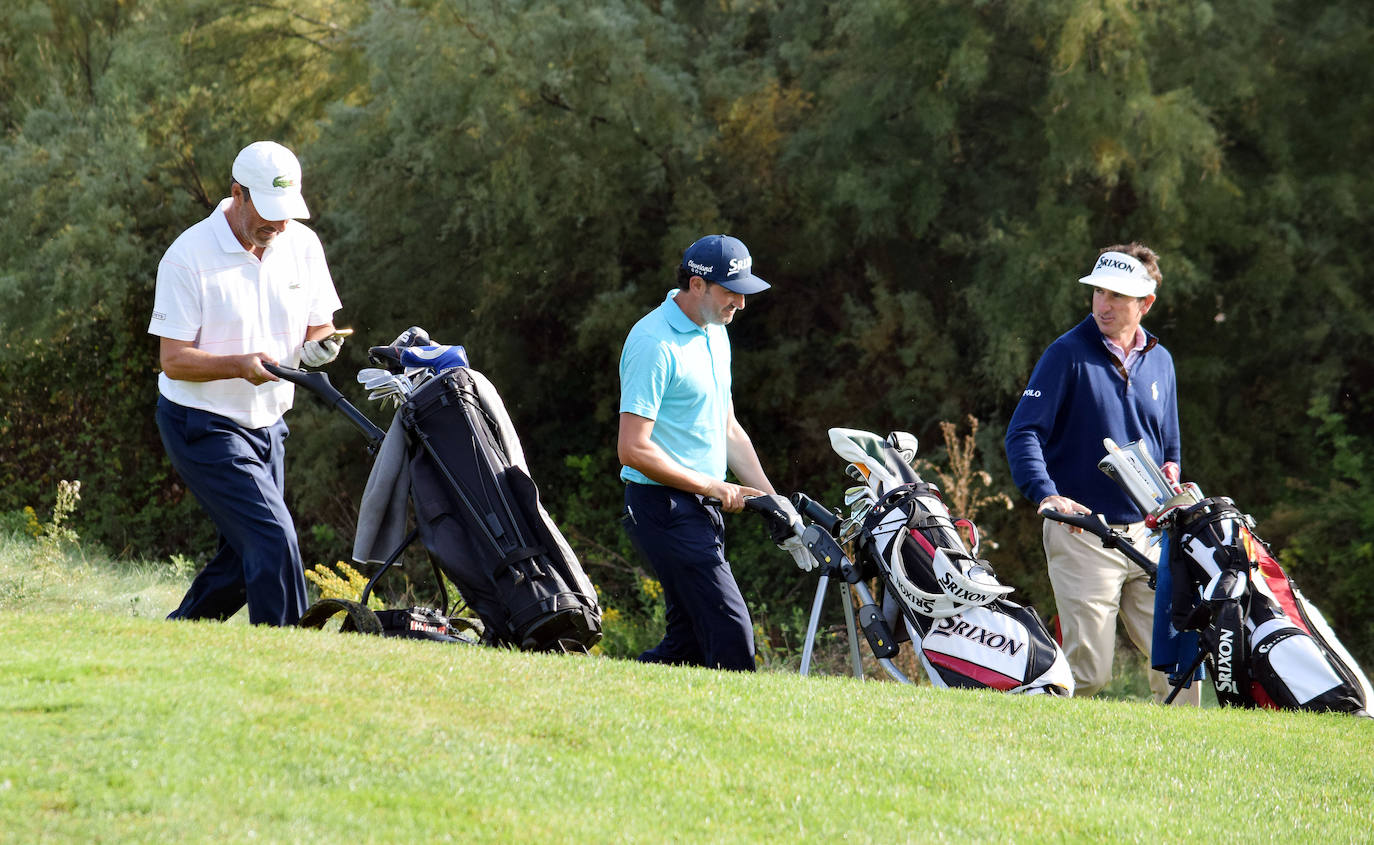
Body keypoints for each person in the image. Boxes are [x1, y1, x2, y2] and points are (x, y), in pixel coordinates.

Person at [148, 141, 345, 627]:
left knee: (244, 558)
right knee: (274, 538)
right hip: (201, 422)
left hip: (269, 420)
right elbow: (173, 360)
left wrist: (322, 345)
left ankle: (181, 634)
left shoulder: (300, 244)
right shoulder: (187, 255)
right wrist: (239, 364)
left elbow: (318, 325)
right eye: (269, 213)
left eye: (287, 214)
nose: (279, 226)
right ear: (238, 193)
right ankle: (288, 657)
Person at [1004, 242, 1199, 705]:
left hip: (1151, 535)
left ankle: (1177, 767)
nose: (1103, 304)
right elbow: (1022, 433)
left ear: (1145, 303)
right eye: (1098, 292)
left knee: (1179, 672)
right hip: (1084, 532)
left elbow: (1167, 445)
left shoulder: (1162, 361)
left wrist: (1172, 474)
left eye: (1117, 296)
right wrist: (1045, 493)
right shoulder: (1066, 354)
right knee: (1088, 673)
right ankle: (1034, 751)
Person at [617, 234, 786, 671]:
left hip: (701, 507)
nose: (741, 304)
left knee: (687, 643)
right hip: (662, 506)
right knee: (731, 630)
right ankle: (745, 732)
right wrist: (712, 484)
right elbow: (632, 448)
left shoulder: (714, 333)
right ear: (697, 285)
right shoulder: (653, 342)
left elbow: (728, 429)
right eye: (732, 293)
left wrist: (771, 498)